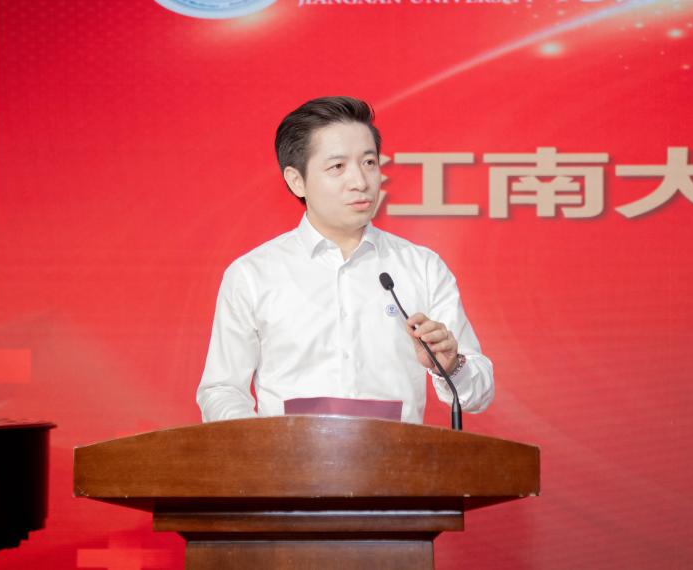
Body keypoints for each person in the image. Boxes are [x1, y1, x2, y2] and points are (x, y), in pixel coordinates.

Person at [196, 96, 494, 424]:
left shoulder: (421, 267)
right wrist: (258, 446)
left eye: (369, 162)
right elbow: (222, 389)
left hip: (400, 456)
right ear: (297, 180)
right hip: (283, 457)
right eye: (338, 167)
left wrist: (452, 365)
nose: (360, 181)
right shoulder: (252, 275)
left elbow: (479, 393)